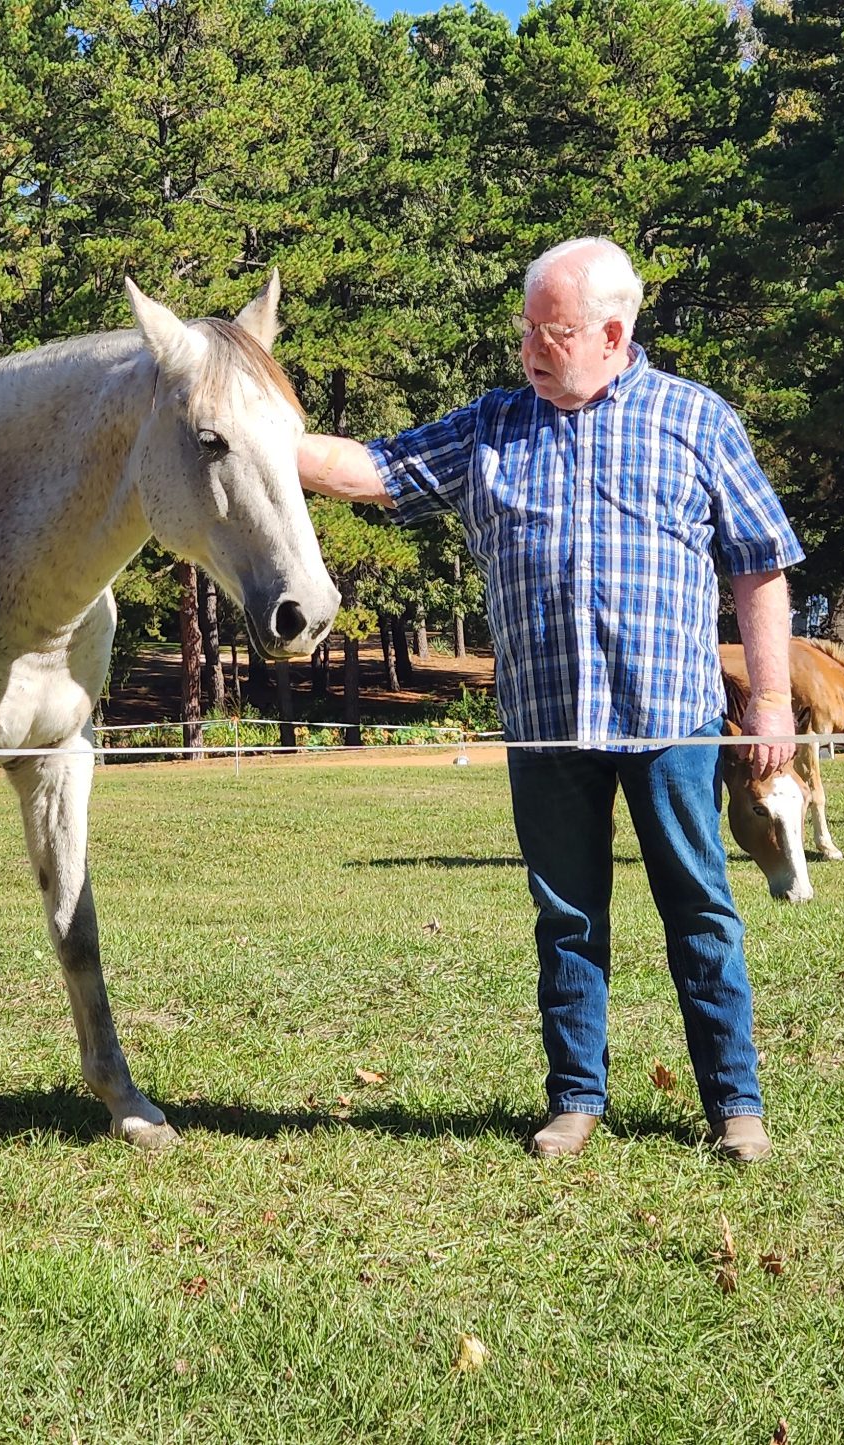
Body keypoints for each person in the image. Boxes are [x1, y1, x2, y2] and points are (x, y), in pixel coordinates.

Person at [297, 237, 803, 1163]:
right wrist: (251, 431)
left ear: (614, 334)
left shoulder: (695, 419)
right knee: (568, 917)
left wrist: (771, 698)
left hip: (670, 722)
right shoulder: (491, 425)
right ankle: (575, 1099)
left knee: (699, 910)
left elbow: (759, 563)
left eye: (553, 330)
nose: (531, 346)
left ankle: (737, 1106)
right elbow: (367, 469)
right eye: (526, 327)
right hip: (545, 731)